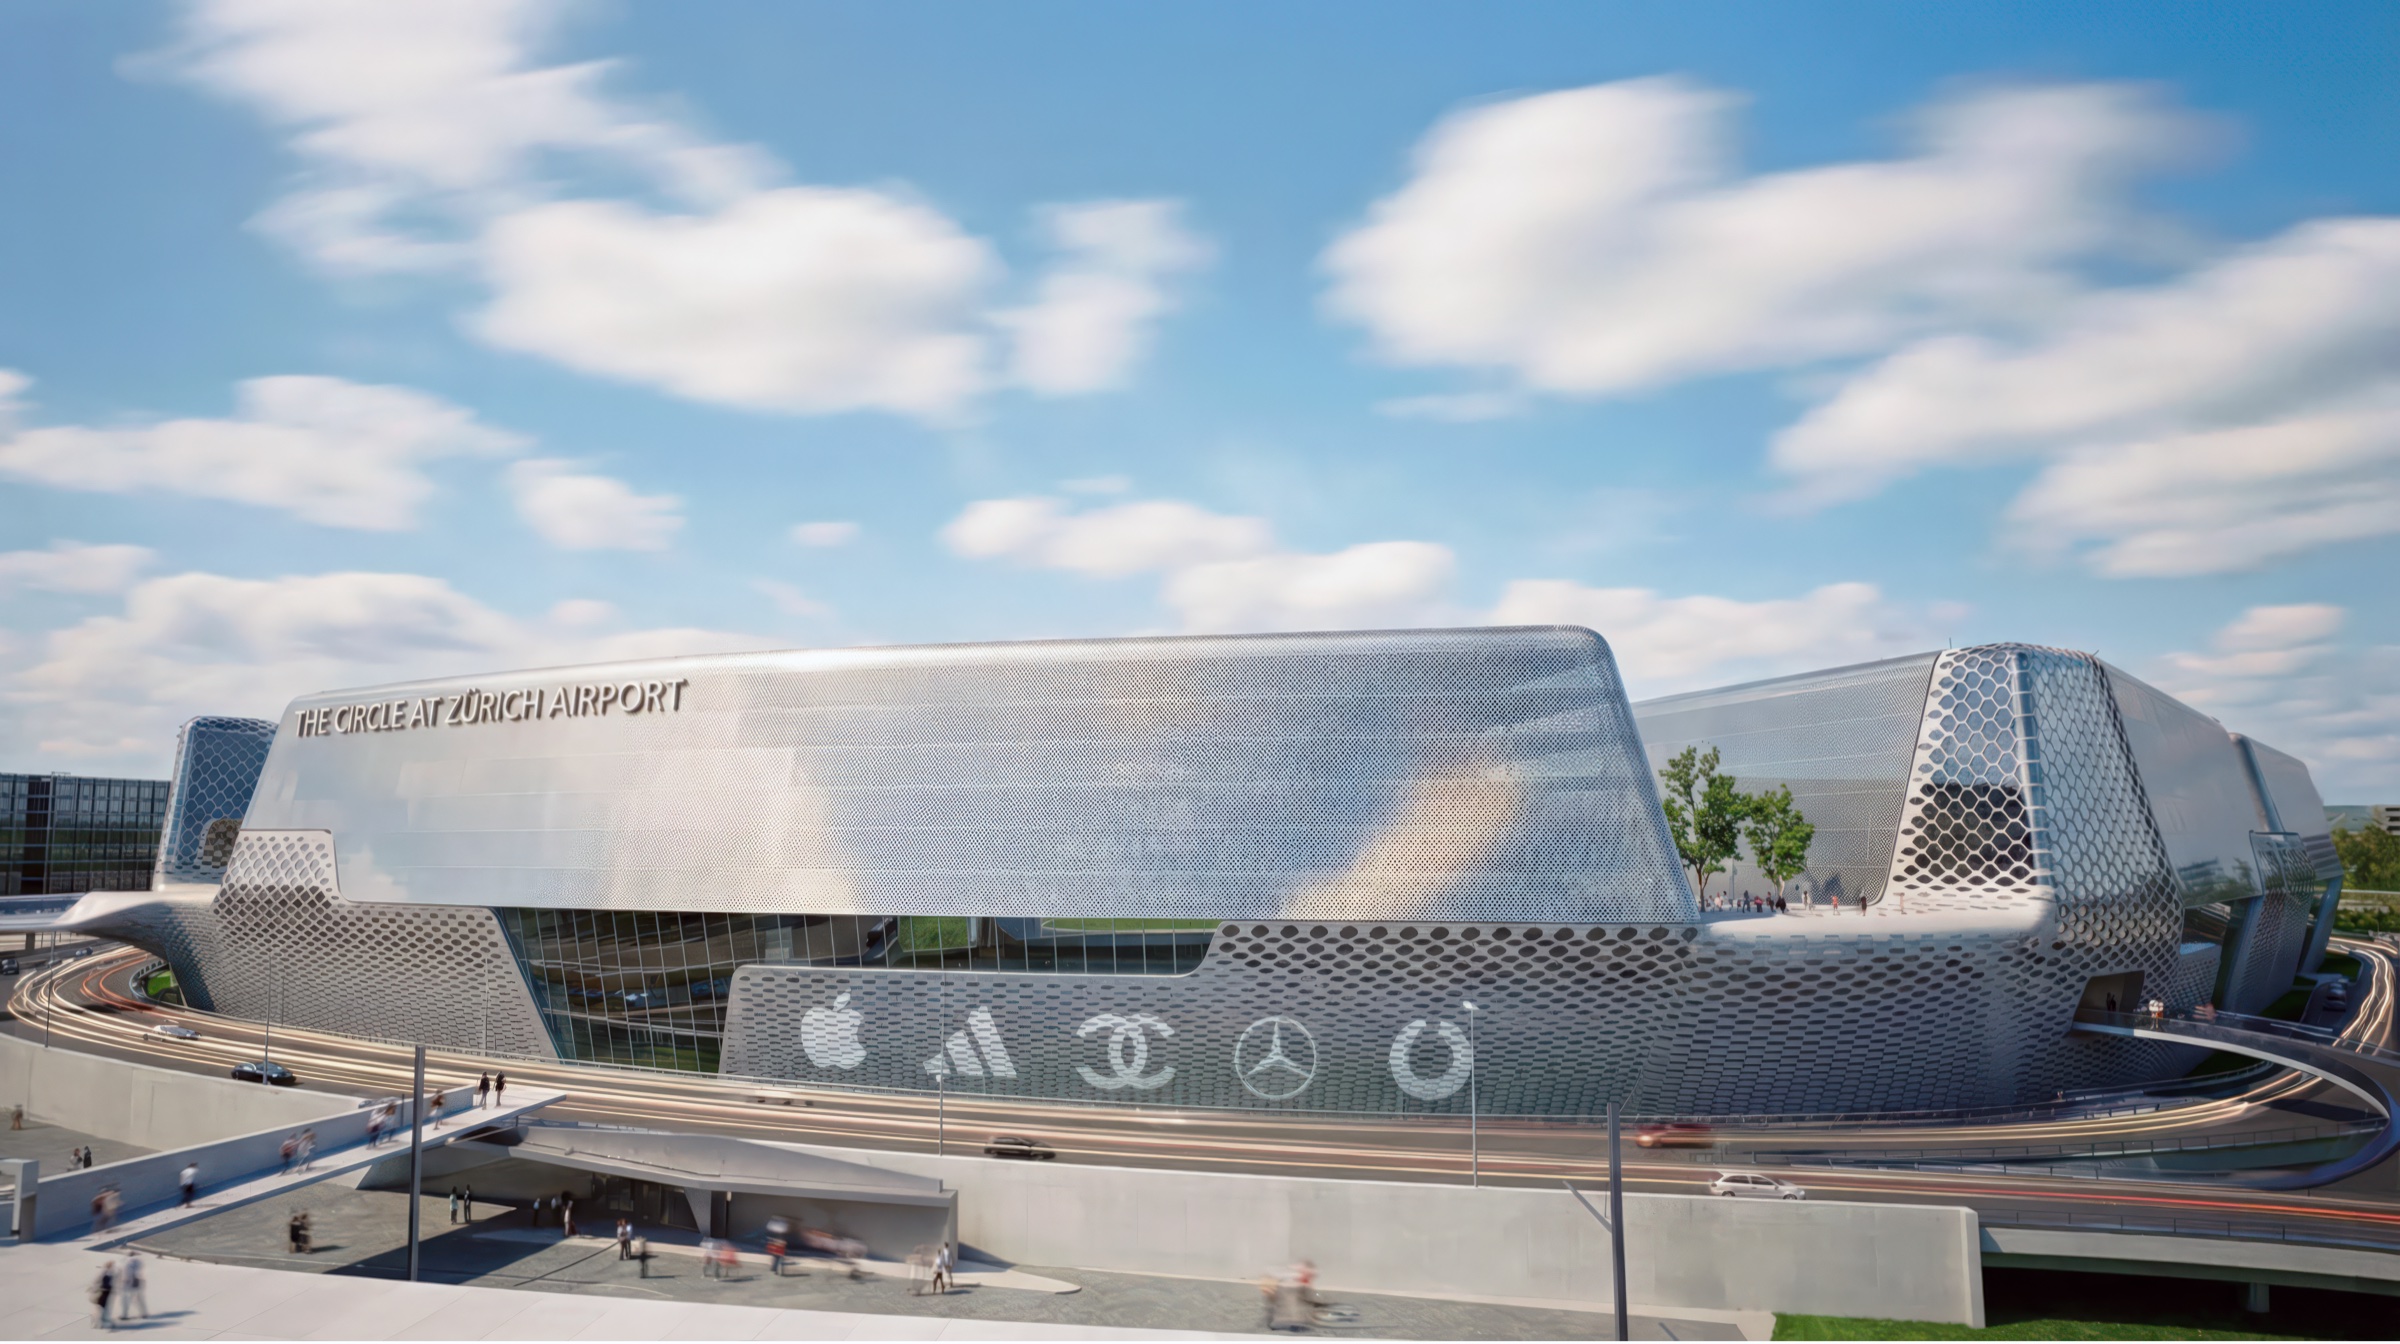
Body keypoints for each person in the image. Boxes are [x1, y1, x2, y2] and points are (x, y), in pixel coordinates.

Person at [118, 1250, 147, 1322]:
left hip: (128, 1284)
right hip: (138, 1282)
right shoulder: (139, 1262)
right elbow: (139, 1272)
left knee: (125, 1300)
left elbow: (127, 1273)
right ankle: (144, 1313)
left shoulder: (127, 1262)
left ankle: (124, 1315)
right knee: (139, 1299)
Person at [90, 1260, 114, 1330]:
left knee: (102, 1308)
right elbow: (97, 1282)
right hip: (102, 1293)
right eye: (111, 1265)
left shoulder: (108, 1272)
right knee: (100, 1308)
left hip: (105, 1293)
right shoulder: (104, 1273)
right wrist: (95, 1290)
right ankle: (98, 1323)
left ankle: (99, 1322)